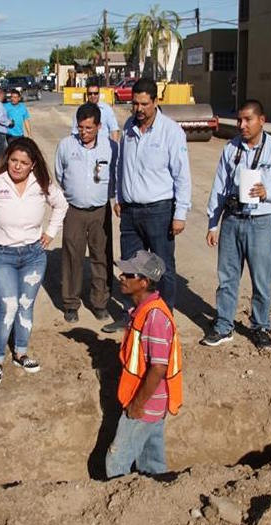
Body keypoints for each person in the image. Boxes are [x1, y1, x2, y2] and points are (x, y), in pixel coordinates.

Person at [0, 137, 68, 386]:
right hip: (1, 256)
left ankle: (21, 352)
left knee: (25, 304)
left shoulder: (42, 184)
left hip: (34, 256)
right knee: (8, 307)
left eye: (24, 162)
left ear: (33, 164)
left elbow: (61, 205)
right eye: (13, 160)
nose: (17, 166)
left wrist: (50, 233)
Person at [202, 99, 271, 350]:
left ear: (261, 121)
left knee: (261, 278)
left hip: (260, 222)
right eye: (239, 120)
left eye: (247, 120)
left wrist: (268, 192)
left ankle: (261, 326)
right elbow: (219, 187)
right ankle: (223, 326)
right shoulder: (231, 149)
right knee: (227, 277)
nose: (242, 125)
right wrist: (213, 223)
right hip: (232, 219)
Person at [103, 78, 192, 333]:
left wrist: (180, 214)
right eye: (135, 103)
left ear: (156, 102)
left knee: (161, 268)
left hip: (159, 211)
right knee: (132, 267)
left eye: (144, 104)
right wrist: (119, 197)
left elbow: (182, 176)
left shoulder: (171, 132)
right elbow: (121, 166)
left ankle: (163, 319)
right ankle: (133, 316)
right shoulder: (129, 127)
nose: (139, 109)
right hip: (130, 213)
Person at [105, 250, 183, 478]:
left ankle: (117, 506)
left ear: (144, 281)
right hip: (154, 402)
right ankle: (157, 495)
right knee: (152, 460)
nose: (121, 276)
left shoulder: (155, 317)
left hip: (146, 403)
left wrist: (137, 405)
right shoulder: (143, 311)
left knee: (116, 461)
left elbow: (158, 367)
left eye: (129, 274)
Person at [54, 103, 117, 323]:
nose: (84, 132)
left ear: (99, 126)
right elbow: (59, 174)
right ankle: (71, 303)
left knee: (101, 257)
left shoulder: (110, 148)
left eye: (89, 128)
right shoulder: (66, 146)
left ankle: (100, 302)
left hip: (100, 210)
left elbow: (115, 177)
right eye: (81, 127)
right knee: (72, 257)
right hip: (74, 211)